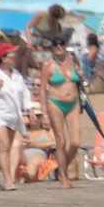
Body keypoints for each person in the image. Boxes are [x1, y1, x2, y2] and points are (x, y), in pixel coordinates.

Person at [0, 43, 35, 191]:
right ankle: (8, 181)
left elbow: (24, 93)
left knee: (6, 148)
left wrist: (30, 109)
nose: (15, 57)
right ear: (4, 58)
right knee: (4, 146)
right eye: (12, 55)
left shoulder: (16, 75)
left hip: (14, 116)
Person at [38, 34, 83, 188]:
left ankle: (61, 168)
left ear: (65, 45)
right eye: (55, 44)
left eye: (61, 43)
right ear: (51, 47)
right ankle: (63, 177)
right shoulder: (48, 64)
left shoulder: (73, 60)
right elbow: (42, 90)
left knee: (75, 143)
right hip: (55, 102)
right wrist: (44, 114)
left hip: (74, 103)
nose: (58, 47)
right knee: (61, 141)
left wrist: (82, 77)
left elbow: (81, 82)